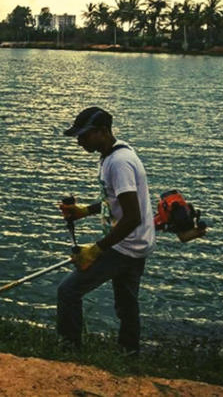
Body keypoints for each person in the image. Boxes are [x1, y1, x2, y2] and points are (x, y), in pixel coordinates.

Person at [56, 106, 156, 355]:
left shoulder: (119, 163)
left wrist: (97, 249)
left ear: (102, 131)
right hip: (138, 244)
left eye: (84, 135)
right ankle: (129, 353)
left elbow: (132, 216)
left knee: (68, 291)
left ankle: (68, 353)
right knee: (126, 303)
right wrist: (85, 211)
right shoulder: (115, 154)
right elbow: (116, 201)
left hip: (125, 246)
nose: (79, 141)